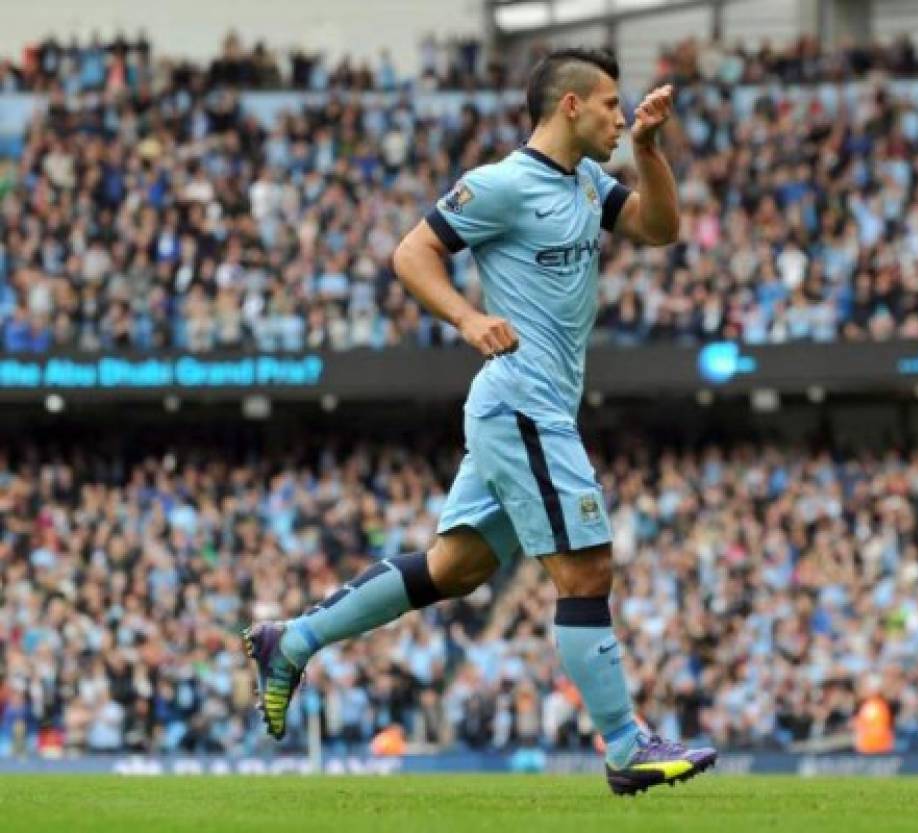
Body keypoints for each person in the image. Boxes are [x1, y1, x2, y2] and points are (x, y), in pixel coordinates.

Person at [243, 47, 716, 796]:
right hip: (519, 398)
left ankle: (291, 639)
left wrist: (649, 151)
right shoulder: (499, 185)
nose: (618, 115)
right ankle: (627, 744)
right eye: (609, 105)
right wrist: (466, 317)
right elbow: (412, 252)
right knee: (588, 566)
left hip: (534, 405)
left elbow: (660, 228)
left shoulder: (591, 180)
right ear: (568, 106)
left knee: (455, 568)